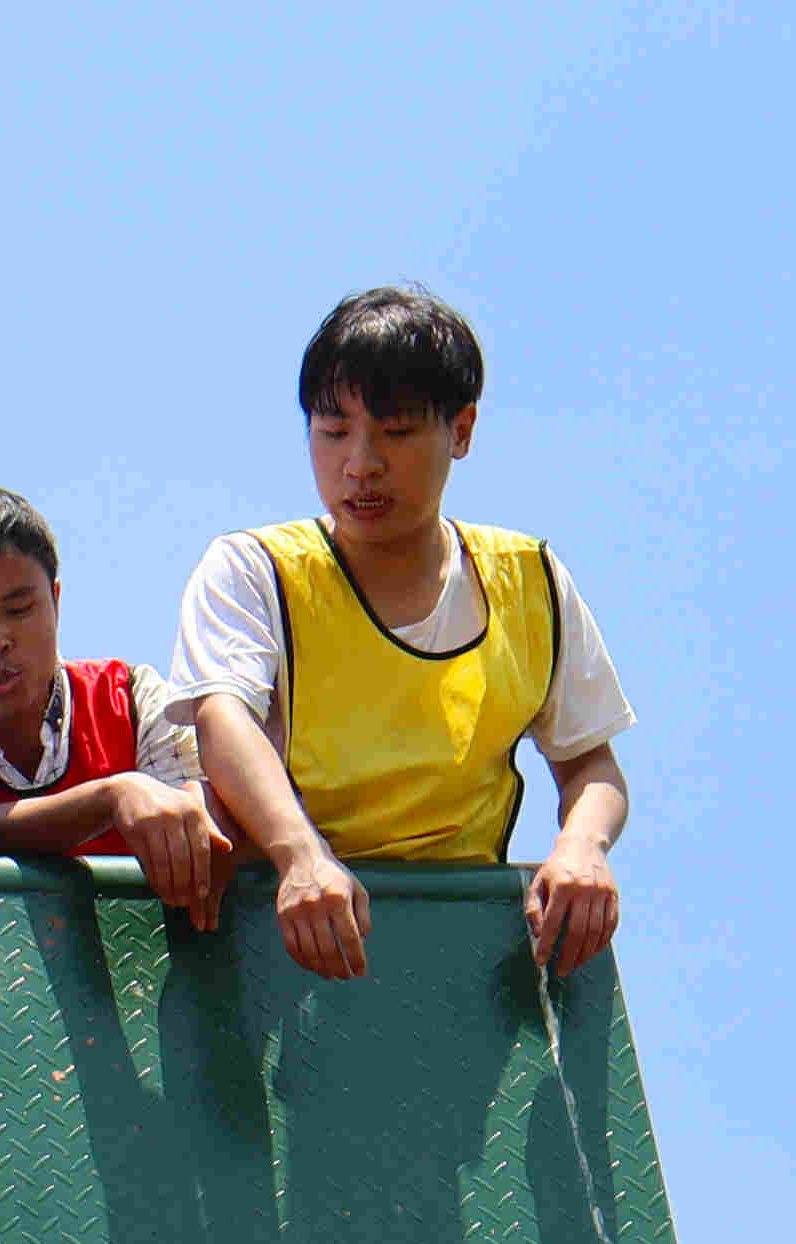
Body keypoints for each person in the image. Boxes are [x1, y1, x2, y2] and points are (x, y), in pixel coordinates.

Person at [169, 284, 635, 988]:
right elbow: (221, 718)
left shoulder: (531, 579)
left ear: (462, 430)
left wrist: (582, 846)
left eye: (395, 433)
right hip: (282, 941)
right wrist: (301, 857)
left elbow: (591, 764)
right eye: (333, 432)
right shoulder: (254, 569)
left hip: (458, 957)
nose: (360, 463)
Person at [0, 485, 228, 920]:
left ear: (55, 600)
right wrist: (109, 798)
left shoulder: (133, 698)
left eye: (18, 609)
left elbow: (198, 818)